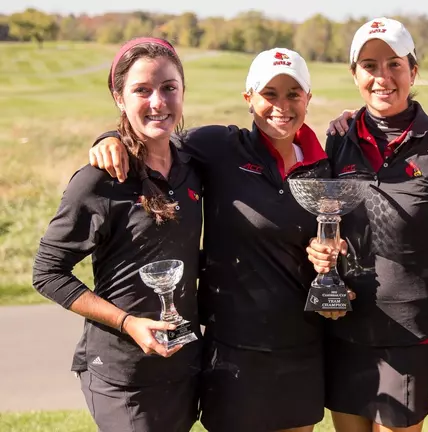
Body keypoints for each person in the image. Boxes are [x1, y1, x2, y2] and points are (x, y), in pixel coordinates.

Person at [88, 48, 330, 432]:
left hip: (301, 347)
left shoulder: (323, 163)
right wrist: (111, 137)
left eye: (293, 94)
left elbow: (337, 240)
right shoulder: (218, 147)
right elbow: (154, 134)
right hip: (232, 352)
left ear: (308, 99)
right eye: (269, 94)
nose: (281, 106)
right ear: (248, 98)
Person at [33, 37, 202, 432]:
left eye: (168, 88)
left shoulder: (193, 164)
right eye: (141, 90)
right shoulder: (100, 180)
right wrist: (128, 323)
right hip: (120, 375)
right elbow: (47, 273)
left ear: (182, 91)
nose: (157, 102)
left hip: (180, 365)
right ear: (119, 97)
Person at [306, 17, 428, 432]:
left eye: (394, 64)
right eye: (370, 65)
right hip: (344, 323)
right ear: (355, 74)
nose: (383, 77)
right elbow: (322, 219)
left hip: (408, 333)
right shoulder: (338, 139)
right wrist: (319, 250)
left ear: (413, 71)